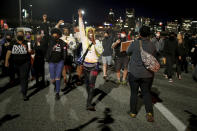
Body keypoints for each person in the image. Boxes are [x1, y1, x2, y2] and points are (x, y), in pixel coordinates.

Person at [126, 26, 156, 122]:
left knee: (134, 93)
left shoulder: (135, 43)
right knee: (146, 93)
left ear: (140, 34)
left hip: (134, 72)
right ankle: (149, 113)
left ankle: (133, 112)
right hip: (147, 74)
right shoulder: (152, 45)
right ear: (149, 34)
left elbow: (128, 52)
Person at [78, 9, 103, 111]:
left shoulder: (97, 41)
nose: (91, 34)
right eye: (89, 32)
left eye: (92, 32)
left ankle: (89, 103)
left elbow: (100, 52)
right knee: (87, 84)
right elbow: (81, 28)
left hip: (94, 66)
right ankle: (90, 95)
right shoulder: (84, 40)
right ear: (87, 33)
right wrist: (80, 18)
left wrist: (95, 42)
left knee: (92, 85)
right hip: (85, 66)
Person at [5, 31, 33, 101]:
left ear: (23, 35)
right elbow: (8, 52)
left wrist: (28, 49)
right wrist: (6, 61)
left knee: (24, 78)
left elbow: (32, 52)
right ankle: (22, 87)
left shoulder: (27, 43)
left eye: (21, 35)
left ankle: (24, 93)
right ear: (16, 35)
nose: (20, 36)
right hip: (15, 63)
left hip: (25, 63)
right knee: (20, 77)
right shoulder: (13, 43)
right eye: (19, 35)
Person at [46, 28, 67, 100]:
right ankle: (55, 84)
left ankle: (57, 93)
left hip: (59, 62)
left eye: (56, 35)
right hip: (51, 62)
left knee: (58, 77)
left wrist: (64, 60)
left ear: (59, 35)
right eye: (53, 35)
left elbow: (64, 52)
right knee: (53, 79)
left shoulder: (63, 43)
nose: (54, 36)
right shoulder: (50, 42)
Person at [55, 20, 77, 89]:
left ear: (69, 31)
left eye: (66, 30)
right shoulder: (61, 38)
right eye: (64, 30)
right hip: (62, 56)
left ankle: (69, 78)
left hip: (69, 55)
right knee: (63, 69)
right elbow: (55, 31)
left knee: (69, 70)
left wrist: (69, 46)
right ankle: (65, 82)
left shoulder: (72, 38)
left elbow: (74, 47)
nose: (65, 31)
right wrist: (58, 24)